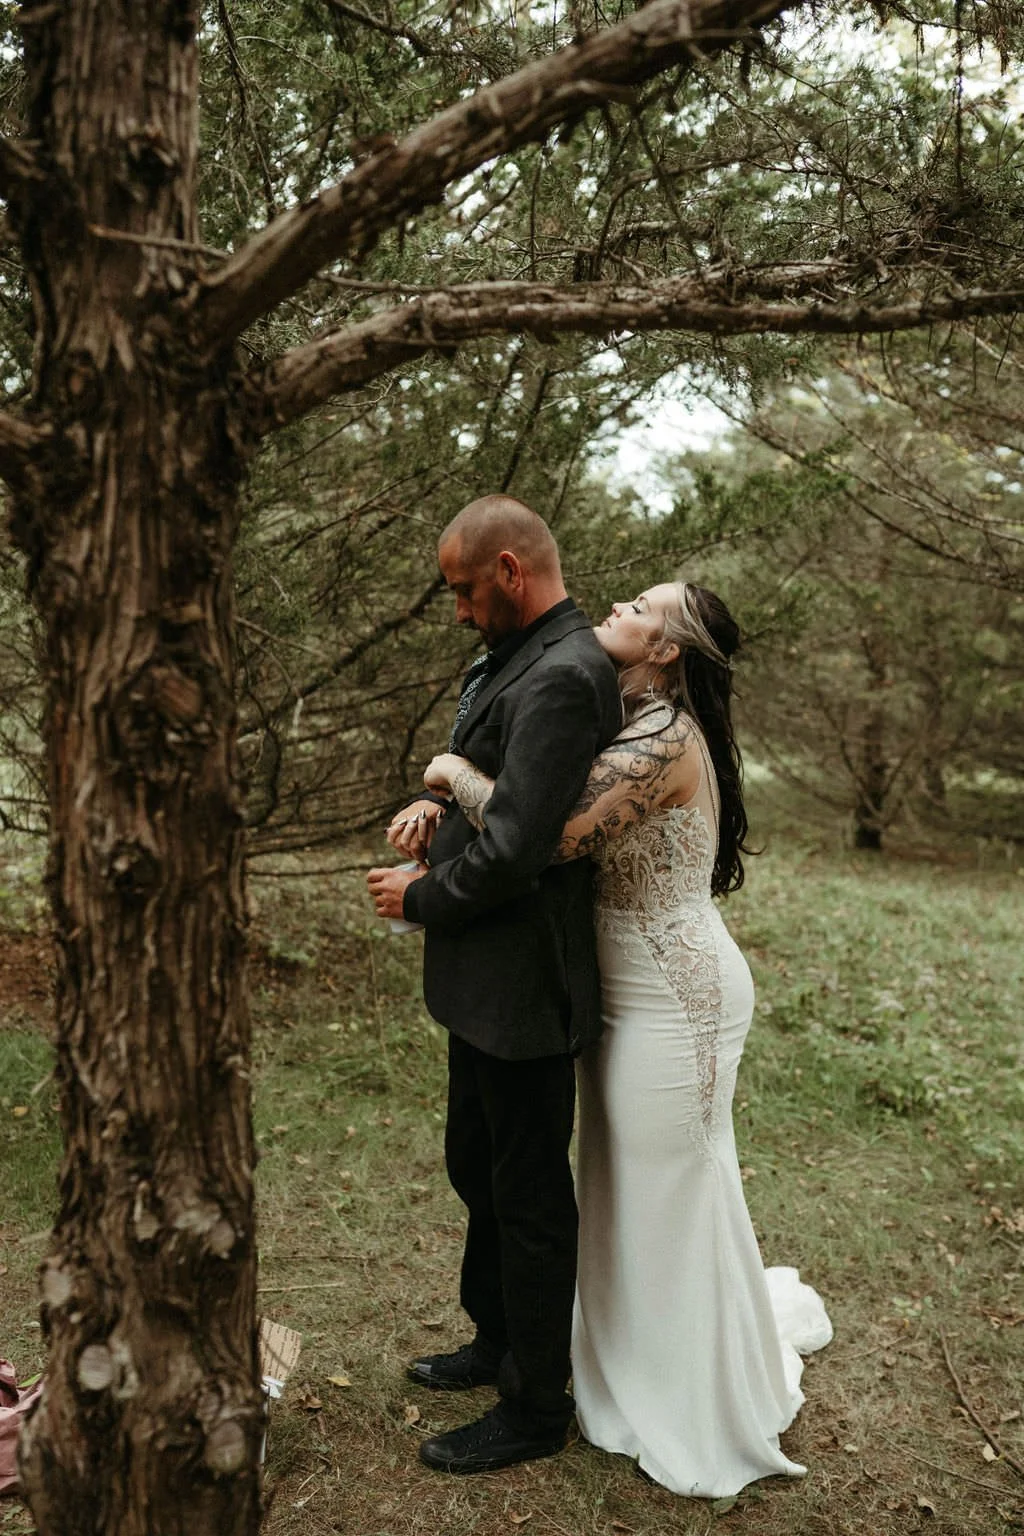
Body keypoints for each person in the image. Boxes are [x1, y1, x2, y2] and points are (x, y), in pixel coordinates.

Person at [424, 580, 832, 1498]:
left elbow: (552, 837)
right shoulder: (628, 719)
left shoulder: (659, 741)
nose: (617, 607)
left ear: (667, 649)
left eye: (641, 606)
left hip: (678, 995)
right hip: (621, 988)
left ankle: (694, 1394)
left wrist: (449, 774)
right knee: (627, 1186)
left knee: (668, 1189)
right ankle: (624, 1359)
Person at [367, 495, 622, 1475]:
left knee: (525, 1194)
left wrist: (422, 898)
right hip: (481, 984)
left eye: (468, 593)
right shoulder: (523, 654)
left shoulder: (565, 674)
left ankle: (535, 1404)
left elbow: (519, 849)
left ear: (510, 572)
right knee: (475, 1166)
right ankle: (495, 1338)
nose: (463, 614)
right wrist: (432, 804)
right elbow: (488, 773)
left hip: (525, 988)